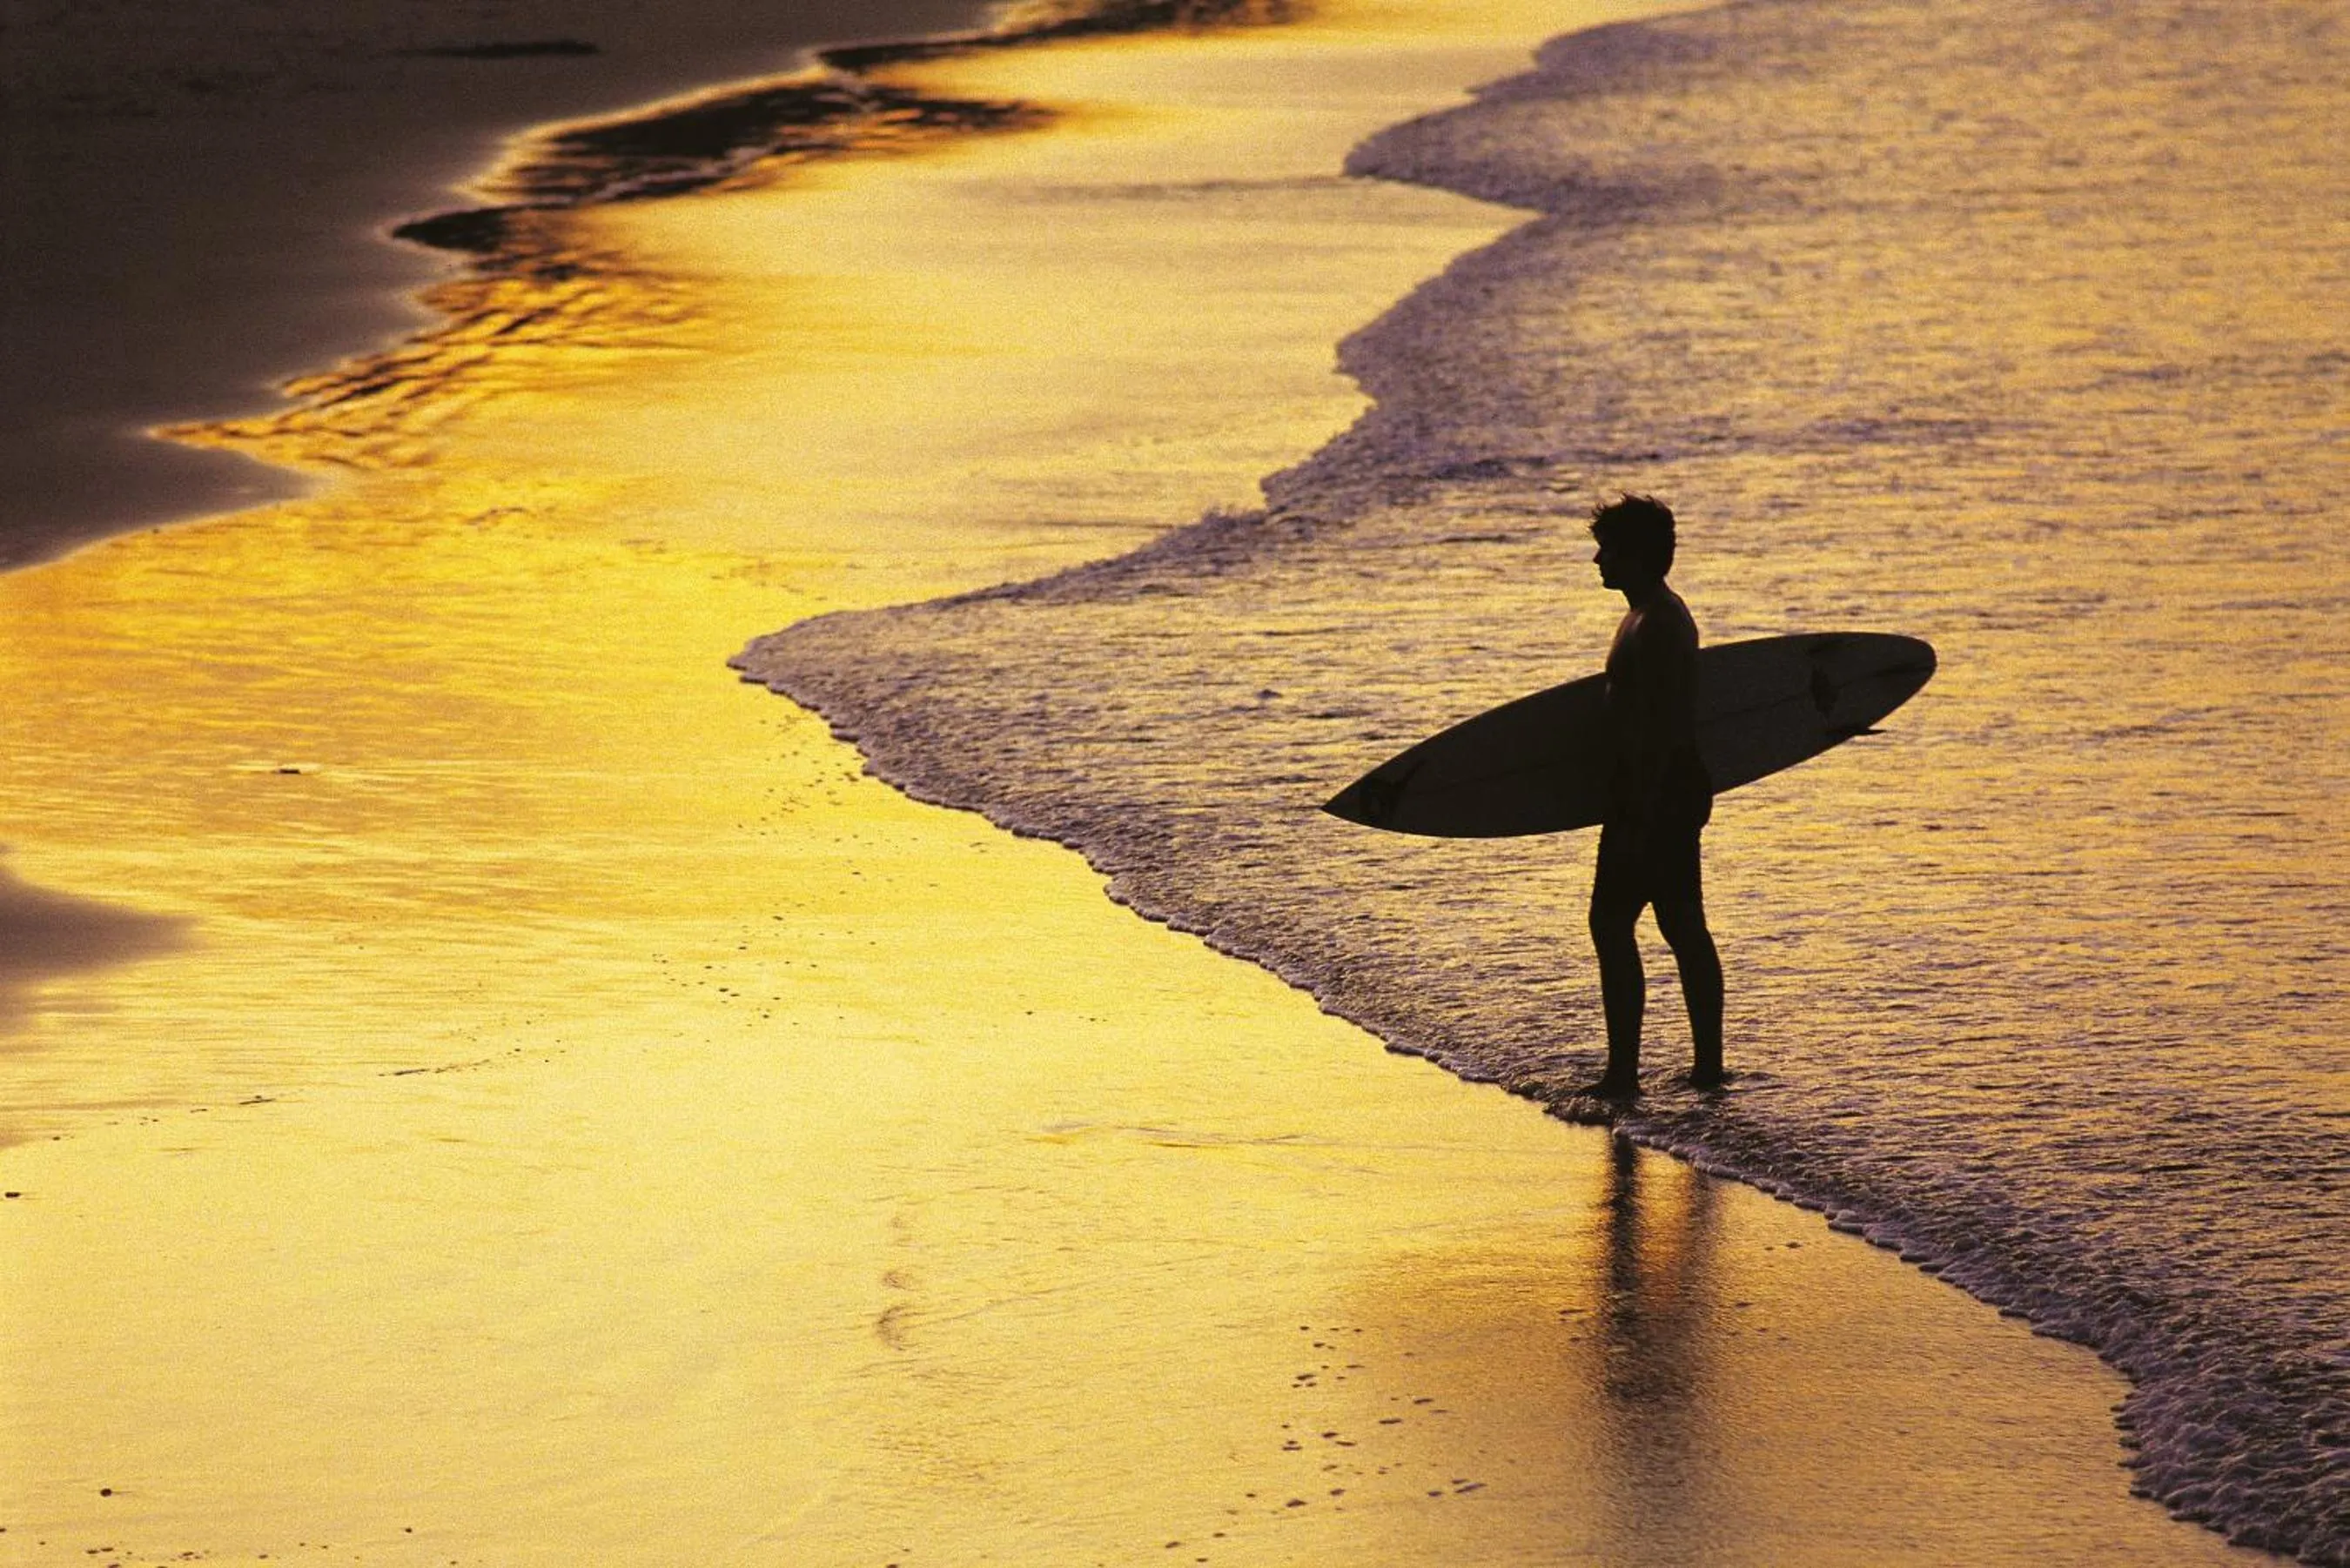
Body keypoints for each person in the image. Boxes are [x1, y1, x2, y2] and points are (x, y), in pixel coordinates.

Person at [1582, 494, 1724, 1096]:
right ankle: (1704, 1069)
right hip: (1658, 790)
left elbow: (1665, 723)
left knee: (1615, 922)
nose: (1597, 559)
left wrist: (1641, 804)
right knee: (1677, 923)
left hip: (1656, 793)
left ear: (1635, 554)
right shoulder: (1647, 614)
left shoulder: (1660, 623)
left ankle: (1627, 1076)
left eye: (1608, 548)